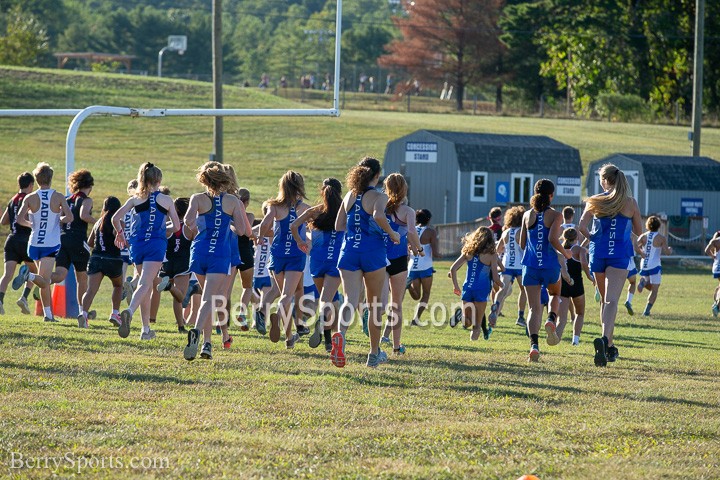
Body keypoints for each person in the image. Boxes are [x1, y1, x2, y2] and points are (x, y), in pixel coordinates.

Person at [334, 157, 399, 368]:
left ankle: (340, 333)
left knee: (349, 300)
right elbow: (379, 215)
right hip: (373, 253)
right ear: (377, 175)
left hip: (349, 252)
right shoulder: (379, 196)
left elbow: (338, 225)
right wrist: (391, 233)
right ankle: (373, 353)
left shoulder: (350, 195)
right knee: (375, 305)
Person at [578, 163, 643, 367]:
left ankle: (609, 344)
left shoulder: (596, 200)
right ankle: (605, 340)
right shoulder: (630, 203)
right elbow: (639, 232)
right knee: (612, 301)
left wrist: (594, 238)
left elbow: (581, 226)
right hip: (619, 256)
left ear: (604, 180)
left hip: (598, 254)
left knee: (604, 301)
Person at [183, 162, 248, 360]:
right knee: (209, 298)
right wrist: (228, 226)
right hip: (220, 253)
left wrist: (198, 227)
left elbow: (187, 221)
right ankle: (196, 332)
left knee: (208, 298)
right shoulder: (233, 201)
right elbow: (243, 230)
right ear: (223, 180)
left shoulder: (197, 198)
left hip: (200, 251)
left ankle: (207, 344)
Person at [112, 163, 180, 341]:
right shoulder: (165, 200)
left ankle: (145, 330)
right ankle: (129, 311)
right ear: (158, 181)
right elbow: (177, 226)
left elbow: (115, 218)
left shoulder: (135, 199)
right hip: (155, 245)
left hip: (137, 245)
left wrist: (120, 234)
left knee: (146, 286)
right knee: (144, 284)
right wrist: (163, 228)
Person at [519, 179, 572, 362]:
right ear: (551, 195)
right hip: (549, 265)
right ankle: (551, 318)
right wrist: (566, 253)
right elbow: (552, 238)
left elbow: (522, 243)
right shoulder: (556, 215)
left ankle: (534, 346)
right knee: (555, 294)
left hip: (530, 265)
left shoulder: (527, 215)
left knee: (533, 308)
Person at [13, 163, 72, 322]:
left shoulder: (30, 197)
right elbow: (70, 217)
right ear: (51, 178)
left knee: (43, 282)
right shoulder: (58, 196)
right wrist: (59, 219)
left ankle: (48, 315)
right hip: (49, 244)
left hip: (34, 244)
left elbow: (19, 219)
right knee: (44, 280)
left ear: (37, 180)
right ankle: (28, 274)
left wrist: (32, 224)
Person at [291, 178, 343, 353]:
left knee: (329, 299)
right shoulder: (346, 211)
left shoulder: (315, 211)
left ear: (323, 192)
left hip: (317, 260)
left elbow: (293, 225)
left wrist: (300, 242)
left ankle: (328, 341)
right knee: (327, 300)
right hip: (336, 261)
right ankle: (321, 320)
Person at [258, 171, 310, 349]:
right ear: (300, 187)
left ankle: (289, 339)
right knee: (287, 297)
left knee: (284, 297)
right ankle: (277, 317)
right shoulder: (305, 209)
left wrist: (259, 237)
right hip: (295, 255)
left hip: (278, 255)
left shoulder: (274, 206)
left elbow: (265, 224)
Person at [378, 174, 422, 354]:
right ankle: (396, 347)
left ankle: (375, 342)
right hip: (398, 258)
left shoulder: (380, 206)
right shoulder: (408, 211)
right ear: (404, 189)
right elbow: (411, 232)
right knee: (396, 304)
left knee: (378, 303)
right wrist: (419, 249)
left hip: (379, 256)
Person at [51, 169, 96, 327]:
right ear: (89, 185)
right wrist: (97, 221)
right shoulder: (86, 200)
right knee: (82, 279)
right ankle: (82, 313)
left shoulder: (67, 199)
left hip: (63, 238)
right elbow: (84, 215)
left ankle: (36, 279)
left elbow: (59, 218)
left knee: (60, 274)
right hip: (78, 240)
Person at [450, 226, 502, 341]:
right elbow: (495, 276)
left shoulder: (467, 252)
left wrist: (456, 286)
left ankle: (460, 316)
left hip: (467, 288)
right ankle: (474, 342)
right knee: (476, 325)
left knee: (467, 322)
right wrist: (502, 286)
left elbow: (453, 269)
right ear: (490, 240)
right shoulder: (492, 255)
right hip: (482, 291)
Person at [81, 196, 125, 327]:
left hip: (96, 258)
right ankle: (115, 313)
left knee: (90, 290)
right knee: (118, 286)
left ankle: (83, 314)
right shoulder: (118, 222)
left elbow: (89, 242)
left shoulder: (98, 222)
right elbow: (120, 239)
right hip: (113, 259)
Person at [0, 172, 37, 315]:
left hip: (11, 240)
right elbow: (28, 217)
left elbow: (3, 221)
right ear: (30, 185)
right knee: (35, 272)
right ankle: (24, 297)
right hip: (26, 240)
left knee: (7, 274)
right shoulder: (29, 199)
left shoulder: (13, 199)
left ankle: (0, 300)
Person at [156, 197, 193, 333]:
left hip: (167, 262)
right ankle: (169, 286)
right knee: (181, 297)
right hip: (183, 263)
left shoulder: (167, 227)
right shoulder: (189, 228)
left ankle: (181, 326)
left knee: (176, 295)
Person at [556, 228, 594, 345]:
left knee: (562, 318)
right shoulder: (579, 249)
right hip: (577, 284)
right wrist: (590, 277)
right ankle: (575, 340)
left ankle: (556, 338)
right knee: (580, 313)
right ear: (577, 238)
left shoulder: (561, 250)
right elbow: (584, 263)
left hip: (563, 284)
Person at [490, 206, 525, 328]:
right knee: (524, 290)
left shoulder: (505, 232)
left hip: (507, 265)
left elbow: (497, 250)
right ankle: (520, 316)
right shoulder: (522, 231)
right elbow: (525, 248)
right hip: (520, 265)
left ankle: (494, 309)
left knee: (502, 290)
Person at [407, 209, 439, 326]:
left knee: (416, 295)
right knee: (426, 294)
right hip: (425, 266)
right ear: (429, 219)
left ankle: (409, 287)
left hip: (412, 266)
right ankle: (416, 319)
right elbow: (435, 253)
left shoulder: (411, 230)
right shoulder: (431, 232)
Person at [636, 215, 672, 316]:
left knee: (651, 286)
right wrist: (670, 249)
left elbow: (635, 246)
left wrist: (641, 252)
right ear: (659, 226)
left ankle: (644, 281)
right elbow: (667, 252)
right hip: (655, 265)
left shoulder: (643, 236)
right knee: (655, 290)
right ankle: (646, 311)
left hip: (644, 264)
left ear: (648, 225)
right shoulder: (661, 238)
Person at [253, 202, 279, 335]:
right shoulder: (274, 225)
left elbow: (251, 232)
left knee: (271, 292)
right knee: (282, 291)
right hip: (272, 264)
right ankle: (266, 318)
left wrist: (256, 238)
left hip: (261, 268)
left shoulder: (262, 227)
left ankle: (259, 317)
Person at [704, 231, 720, 316]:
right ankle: (716, 306)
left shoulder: (715, 241)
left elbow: (706, 250)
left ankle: (716, 304)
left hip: (717, 267)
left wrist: (713, 256)